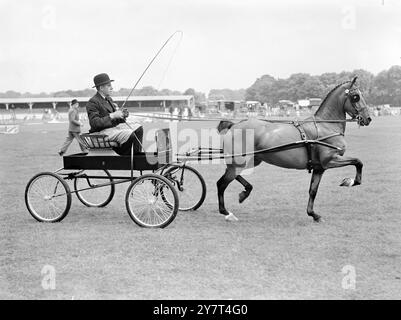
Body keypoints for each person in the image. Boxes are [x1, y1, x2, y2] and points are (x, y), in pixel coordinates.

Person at [86, 73, 143, 155]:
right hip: (100, 133)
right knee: (130, 134)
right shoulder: (93, 102)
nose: (112, 88)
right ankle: (124, 157)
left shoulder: (109, 99)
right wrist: (112, 115)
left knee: (138, 128)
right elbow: (95, 123)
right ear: (101, 88)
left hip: (112, 130)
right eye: (108, 85)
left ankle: (136, 155)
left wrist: (122, 115)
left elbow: (116, 120)